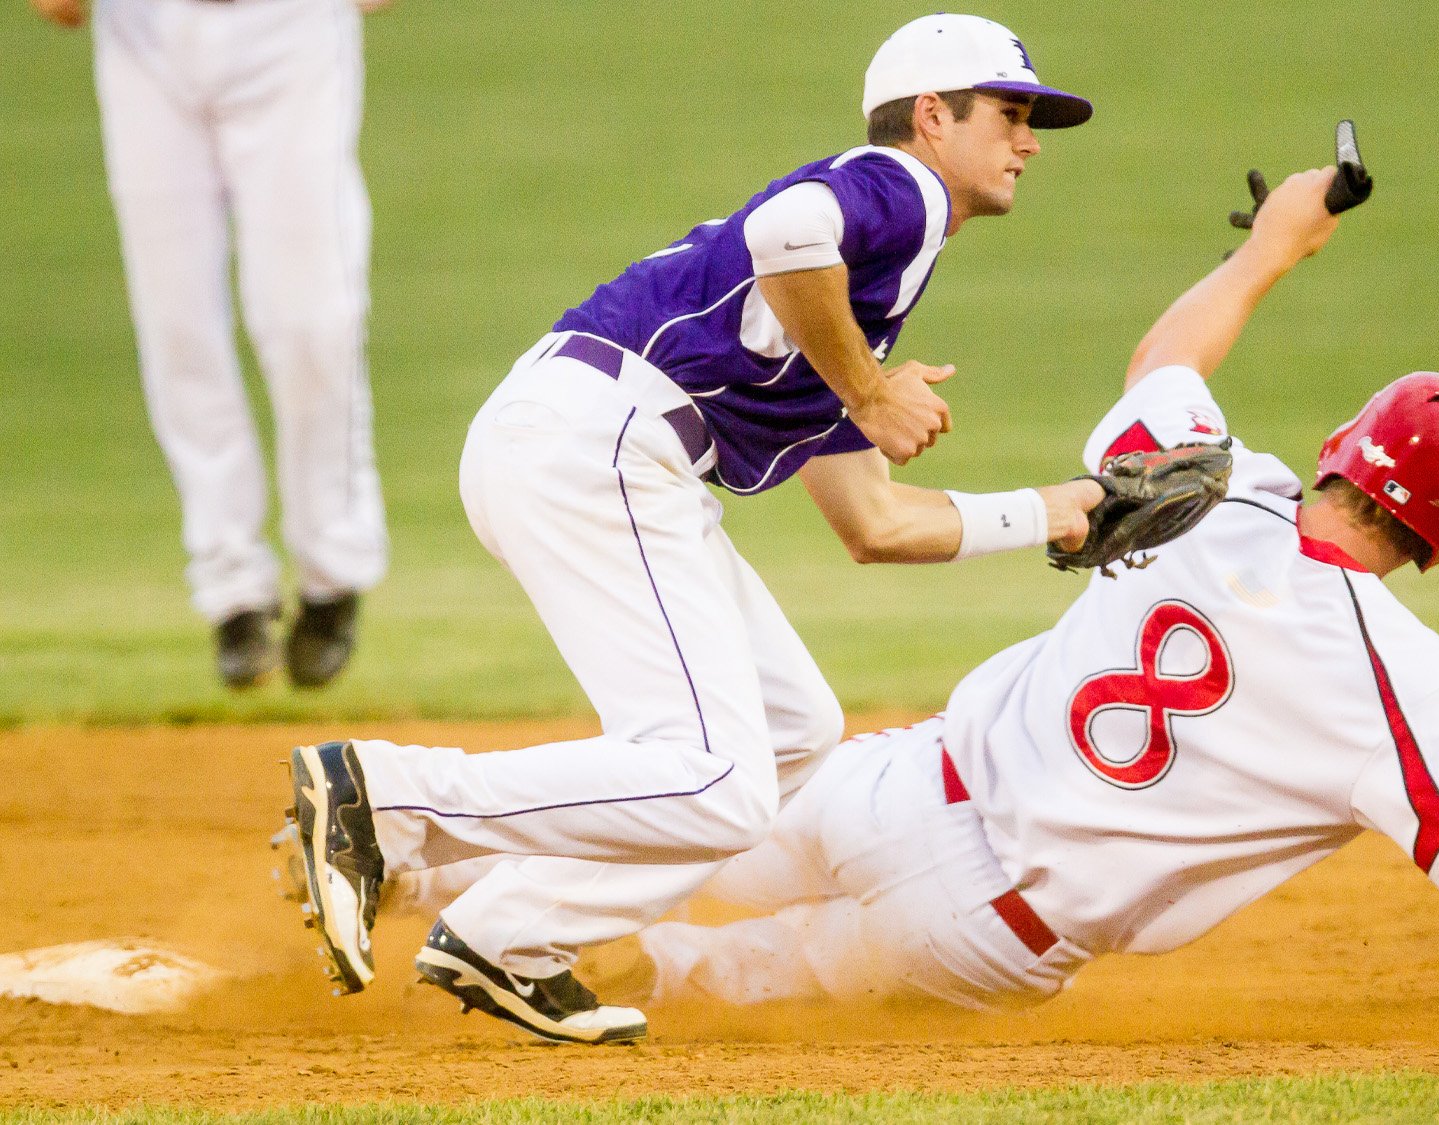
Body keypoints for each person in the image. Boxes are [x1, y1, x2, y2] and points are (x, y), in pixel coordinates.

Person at [563, 167, 1439, 1020]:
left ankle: (427, 879)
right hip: (983, 932)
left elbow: (1162, 365)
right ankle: (652, 970)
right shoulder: (1401, 680)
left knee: (646, 846)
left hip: (897, 785)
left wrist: (1273, 246)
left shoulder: (1221, 487)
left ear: (1339, 449)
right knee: (713, 989)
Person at [286, 14, 1106, 1043]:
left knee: (791, 733)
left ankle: (508, 935)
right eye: (1011, 113)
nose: (1029, 140)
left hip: (590, 445)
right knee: (715, 777)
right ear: (933, 116)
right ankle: (386, 799)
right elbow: (787, 230)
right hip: (599, 441)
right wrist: (867, 394)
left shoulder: (856, 297)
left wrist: (1052, 512)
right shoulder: (901, 188)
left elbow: (875, 522)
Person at [29, 0, 391, 689]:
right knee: (175, 322)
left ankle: (333, 571)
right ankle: (231, 589)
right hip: (143, 33)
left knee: (310, 321)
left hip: (287, 27)